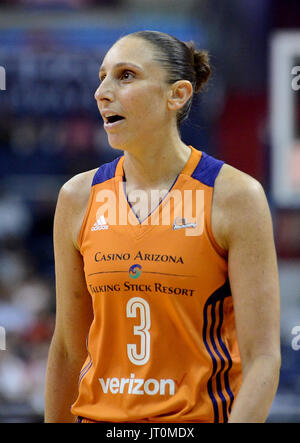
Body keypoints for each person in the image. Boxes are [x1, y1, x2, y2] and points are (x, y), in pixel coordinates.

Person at [44, 30, 281, 423]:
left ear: (178, 95)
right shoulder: (76, 197)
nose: (102, 92)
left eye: (125, 76)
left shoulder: (236, 197)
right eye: (102, 76)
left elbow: (263, 360)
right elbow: (69, 350)